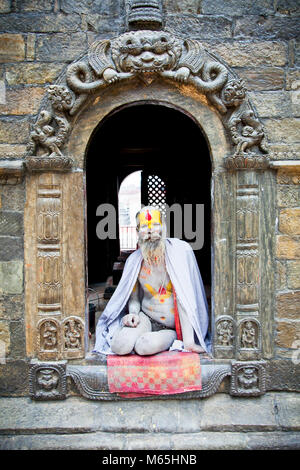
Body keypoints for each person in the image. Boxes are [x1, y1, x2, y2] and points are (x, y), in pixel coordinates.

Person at [93, 206, 211, 356]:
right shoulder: (134, 262)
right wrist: (133, 314)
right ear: (137, 232)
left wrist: (188, 341)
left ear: (164, 226)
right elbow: (134, 299)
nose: (150, 231)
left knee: (144, 346)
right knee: (119, 345)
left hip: (170, 328)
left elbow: (185, 299)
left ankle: (164, 339)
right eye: (144, 226)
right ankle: (140, 336)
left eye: (155, 224)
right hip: (146, 318)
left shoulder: (180, 253)